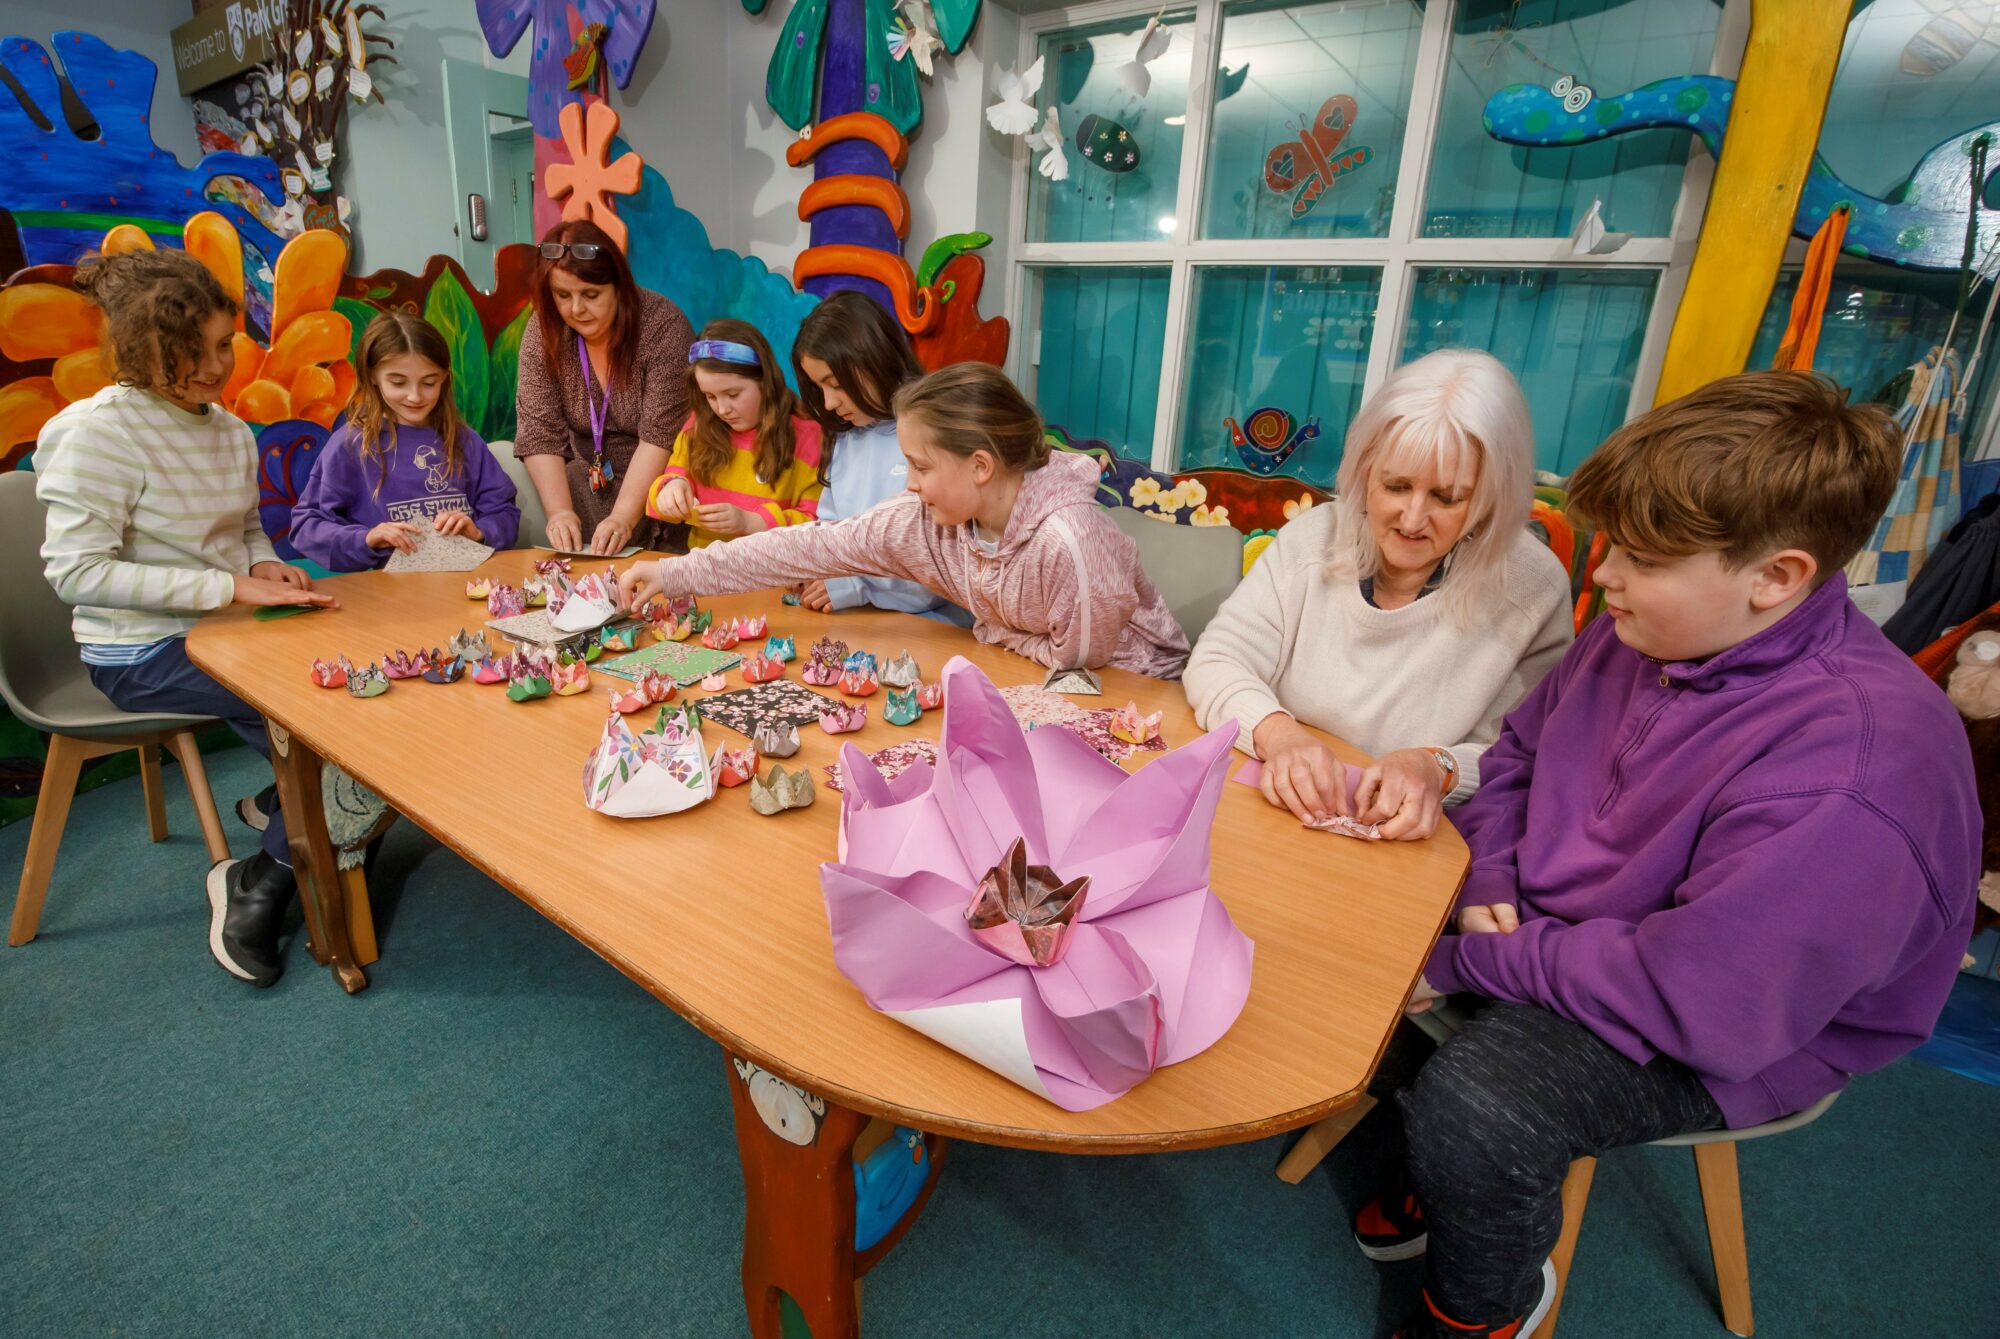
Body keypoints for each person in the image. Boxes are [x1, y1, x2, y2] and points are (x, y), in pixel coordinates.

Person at [1358, 371, 1980, 1339]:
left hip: (1728, 1017)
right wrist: (1488, 877)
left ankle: (1480, 1309)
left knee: (1479, 1106)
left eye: (1641, 558)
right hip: (1565, 930)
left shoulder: (1859, 769)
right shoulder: (1650, 625)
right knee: (1346, 935)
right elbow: (1519, 755)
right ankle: (1443, 1181)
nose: (1603, 575)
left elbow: (1699, 995)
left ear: (1775, 576)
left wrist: (1470, 960)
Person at [35, 248, 337, 988]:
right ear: (137, 350)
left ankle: (289, 801)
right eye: (188, 352)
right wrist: (230, 588)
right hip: (139, 651)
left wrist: (263, 563)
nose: (214, 367)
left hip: (224, 629)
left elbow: (246, 530)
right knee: (321, 717)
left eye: (223, 345)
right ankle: (261, 877)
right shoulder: (97, 432)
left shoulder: (230, 430)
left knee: (349, 683)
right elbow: (76, 574)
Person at [1186, 350, 1573, 840]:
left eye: (1447, 497)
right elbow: (1217, 658)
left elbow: (1522, 752)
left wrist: (1436, 767)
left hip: (1415, 843)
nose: (1412, 519)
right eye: (1396, 486)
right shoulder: (1315, 538)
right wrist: (1276, 733)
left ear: (1494, 497)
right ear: (1365, 470)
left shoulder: (1533, 589)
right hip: (1269, 818)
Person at [619, 363, 1188, 676]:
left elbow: (1080, 663)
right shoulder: (925, 520)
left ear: (980, 466)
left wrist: (995, 631)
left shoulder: (1070, 541)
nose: (909, 483)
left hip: (1132, 693)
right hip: (1031, 678)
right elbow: (806, 547)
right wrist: (673, 574)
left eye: (920, 466)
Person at [513, 218, 694, 554]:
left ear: (619, 287)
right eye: (562, 295)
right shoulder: (543, 329)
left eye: (591, 295)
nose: (576, 309)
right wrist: (559, 512)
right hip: (583, 493)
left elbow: (661, 436)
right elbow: (539, 431)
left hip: (661, 494)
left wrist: (623, 516)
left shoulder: (664, 326)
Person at [790, 291, 969, 626]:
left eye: (835, 384)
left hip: (933, 626)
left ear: (874, 360)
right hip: (862, 618)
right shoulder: (847, 434)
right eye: (819, 388)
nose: (828, 403)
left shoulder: (935, 430)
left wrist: (856, 587)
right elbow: (831, 534)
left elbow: (937, 577)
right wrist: (811, 569)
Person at [290, 311, 520, 570]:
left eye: (429, 383)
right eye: (398, 383)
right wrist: (366, 539)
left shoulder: (465, 440)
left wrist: (479, 532)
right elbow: (306, 527)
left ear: (444, 377)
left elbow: (504, 512)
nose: (415, 396)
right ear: (372, 376)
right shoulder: (350, 444)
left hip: (464, 582)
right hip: (385, 587)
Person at [643, 320, 825, 549]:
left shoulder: (809, 436)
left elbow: (818, 526)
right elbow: (668, 484)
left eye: (733, 394)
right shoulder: (698, 425)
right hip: (706, 565)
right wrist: (670, 490)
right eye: (710, 396)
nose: (721, 409)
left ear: (765, 381)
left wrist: (752, 523)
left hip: (773, 568)